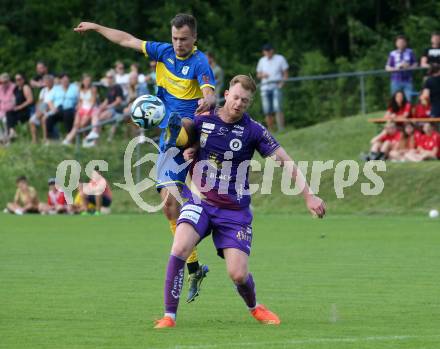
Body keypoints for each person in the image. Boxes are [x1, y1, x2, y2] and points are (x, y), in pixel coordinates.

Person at [153, 75, 326, 329]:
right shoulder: (202, 120)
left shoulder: (253, 130)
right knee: (179, 248)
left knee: (238, 274)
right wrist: (187, 150)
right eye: (235, 98)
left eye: (244, 101)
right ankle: (169, 316)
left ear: (249, 102)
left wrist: (309, 195)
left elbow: (285, 160)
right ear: (226, 95)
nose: (238, 104)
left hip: (234, 211)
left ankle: (255, 307)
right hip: (200, 201)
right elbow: (182, 142)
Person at [74, 13, 216, 301]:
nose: (178, 44)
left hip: (194, 131)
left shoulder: (200, 62)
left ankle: (200, 204)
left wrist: (208, 100)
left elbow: (209, 92)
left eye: (184, 39)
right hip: (169, 139)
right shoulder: (162, 51)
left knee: (182, 125)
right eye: (175, 38)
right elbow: (126, 39)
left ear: (194, 39)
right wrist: (98, 25)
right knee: (168, 206)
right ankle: (195, 268)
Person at [84, 70, 124, 143]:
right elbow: (106, 100)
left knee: (98, 118)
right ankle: (94, 138)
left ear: (114, 78)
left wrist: (107, 107)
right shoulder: (110, 88)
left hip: (116, 110)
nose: (109, 79)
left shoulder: (117, 87)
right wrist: (101, 107)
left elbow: (119, 101)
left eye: (110, 77)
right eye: (107, 77)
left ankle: (94, 138)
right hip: (110, 110)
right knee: (95, 113)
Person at [256, 43, 289, 132]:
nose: (268, 52)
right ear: (263, 52)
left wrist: (282, 84)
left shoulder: (280, 58)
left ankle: (281, 129)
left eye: (269, 50)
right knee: (267, 111)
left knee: (278, 108)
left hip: (276, 87)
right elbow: (258, 75)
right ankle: (271, 131)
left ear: (272, 50)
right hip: (265, 88)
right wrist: (263, 75)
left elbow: (285, 74)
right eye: (266, 51)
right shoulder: (262, 61)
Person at [63, 74, 98, 145]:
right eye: (85, 81)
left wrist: (87, 112)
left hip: (89, 109)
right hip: (82, 108)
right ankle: (69, 140)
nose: (87, 82)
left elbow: (93, 102)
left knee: (82, 124)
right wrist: (78, 109)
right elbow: (80, 101)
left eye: (89, 81)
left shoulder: (93, 89)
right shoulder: (80, 89)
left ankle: (72, 139)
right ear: (82, 81)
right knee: (76, 125)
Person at [45, 73, 79, 140]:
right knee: (48, 118)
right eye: (63, 80)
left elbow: (79, 99)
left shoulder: (74, 88)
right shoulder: (56, 89)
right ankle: (50, 138)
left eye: (66, 80)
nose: (65, 82)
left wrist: (77, 106)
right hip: (58, 109)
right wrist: (53, 108)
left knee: (67, 114)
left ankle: (69, 136)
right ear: (60, 81)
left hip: (70, 108)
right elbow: (49, 100)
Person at [385, 35, 417, 101]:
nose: (401, 43)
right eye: (399, 42)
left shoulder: (410, 52)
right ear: (396, 43)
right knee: (395, 100)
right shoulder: (392, 53)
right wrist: (396, 68)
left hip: (408, 80)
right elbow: (387, 67)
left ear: (406, 43)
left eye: (402, 42)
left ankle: (407, 111)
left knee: (409, 99)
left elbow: (415, 63)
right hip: (395, 80)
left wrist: (409, 67)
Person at [6, 73, 34, 140]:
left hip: (26, 110)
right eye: (16, 80)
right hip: (18, 110)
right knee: (8, 113)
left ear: (23, 80)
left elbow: (30, 100)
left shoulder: (25, 87)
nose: (17, 81)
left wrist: (19, 107)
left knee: (10, 115)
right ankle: (12, 132)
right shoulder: (16, 89)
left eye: (19, 79)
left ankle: (12, 134)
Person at [29, 74, 56, 144]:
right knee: (31, 121)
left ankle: (45, 138)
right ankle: (35, 140)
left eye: (48, 81)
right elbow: (39, 101)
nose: (46, 83)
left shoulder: (56, 90)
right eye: (45, 81)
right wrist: (38, 108)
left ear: (52, 81)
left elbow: (54, 102)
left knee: (43, 117)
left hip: (51, 108)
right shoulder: (43, 90)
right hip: (42, 109)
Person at [0, 73, 15, 143]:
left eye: (5, 82)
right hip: (1, 109)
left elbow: (14, 101)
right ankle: (1, 138)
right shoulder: (0, 88)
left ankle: (7, 138)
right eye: (1, 82)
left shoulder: (14, 87)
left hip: (11, 110)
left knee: (5, 120)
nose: (3, 84)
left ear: (8, 81)